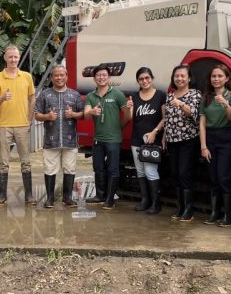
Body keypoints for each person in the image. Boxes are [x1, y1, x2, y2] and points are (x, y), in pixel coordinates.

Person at [0, 45, 36, 206]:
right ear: (5, 58)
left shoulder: (27, 76)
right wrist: (2, 97)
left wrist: (29, 119)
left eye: (15, 57)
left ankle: (29, 195)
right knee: (3, 161)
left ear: (19, 57)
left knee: (26, 160)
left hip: (22, 124)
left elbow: (32, 98)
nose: (13, 60)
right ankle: (2, 195)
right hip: (4, 125)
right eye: (10, 57)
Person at [33, 64, 84, 208]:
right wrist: (47, 116)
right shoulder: (44, 94)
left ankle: (67, 198)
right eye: (56, 75)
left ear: (66, 76)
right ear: (51, 77)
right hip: (51, 141)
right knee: (49, 169)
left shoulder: (74, 95)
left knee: (70, 169)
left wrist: (73, 114)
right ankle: (50, 199)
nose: (59, 78)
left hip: (70, 140)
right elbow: (36, 114)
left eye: (62, 75)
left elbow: (82, 114)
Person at [84, 65, 132, 209]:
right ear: (94, 78)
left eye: (104, 75)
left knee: (113, 169)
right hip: (98, 139)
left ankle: (110, 199)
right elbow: (86, 115)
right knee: (98, 168)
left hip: (113, 140)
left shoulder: (117, 94)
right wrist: (92, 111)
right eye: (98, 75)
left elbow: (128, 117)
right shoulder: (90, 96)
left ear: (109, 77)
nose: (101, 77)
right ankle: (100, 195)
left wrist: (120, 124)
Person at [199, 64, 231, 226]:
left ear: (227, 78)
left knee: (224, 176)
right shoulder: (206, 97)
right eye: (213, 76)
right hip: (210, 138)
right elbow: (202, 123)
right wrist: (203, 146)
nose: (216, 79)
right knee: (213, 177)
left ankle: (228, 215)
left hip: (226, 137)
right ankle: (214, 212)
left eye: (219, 76)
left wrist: (225, 103)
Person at [163, 64, 202, 222]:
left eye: (182, 76)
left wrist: (181, 104)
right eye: (176, 76)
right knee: (175, 174)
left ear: (189, 78)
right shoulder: (170, 95)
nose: (179, 78)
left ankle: (188, 209)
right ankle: (180, 207)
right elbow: (167, 118)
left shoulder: (195, 94)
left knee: (185, 173)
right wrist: (164, 136)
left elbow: (194, 114)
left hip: (188, 140)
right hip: (172, 140)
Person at [130, 67, 166, 215]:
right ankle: (145, 200)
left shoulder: (160, 95)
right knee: (140, 171)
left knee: (150, 171)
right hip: (136, 139)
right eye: (141, 79)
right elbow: (130, 117)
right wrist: (128, 108)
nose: (144, 81)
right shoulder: (134, 96)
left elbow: (165, 118)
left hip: (153, 140)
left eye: (147, 78)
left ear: (152, 78)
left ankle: (156, 204)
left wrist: (155, 132)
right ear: (138, 81)